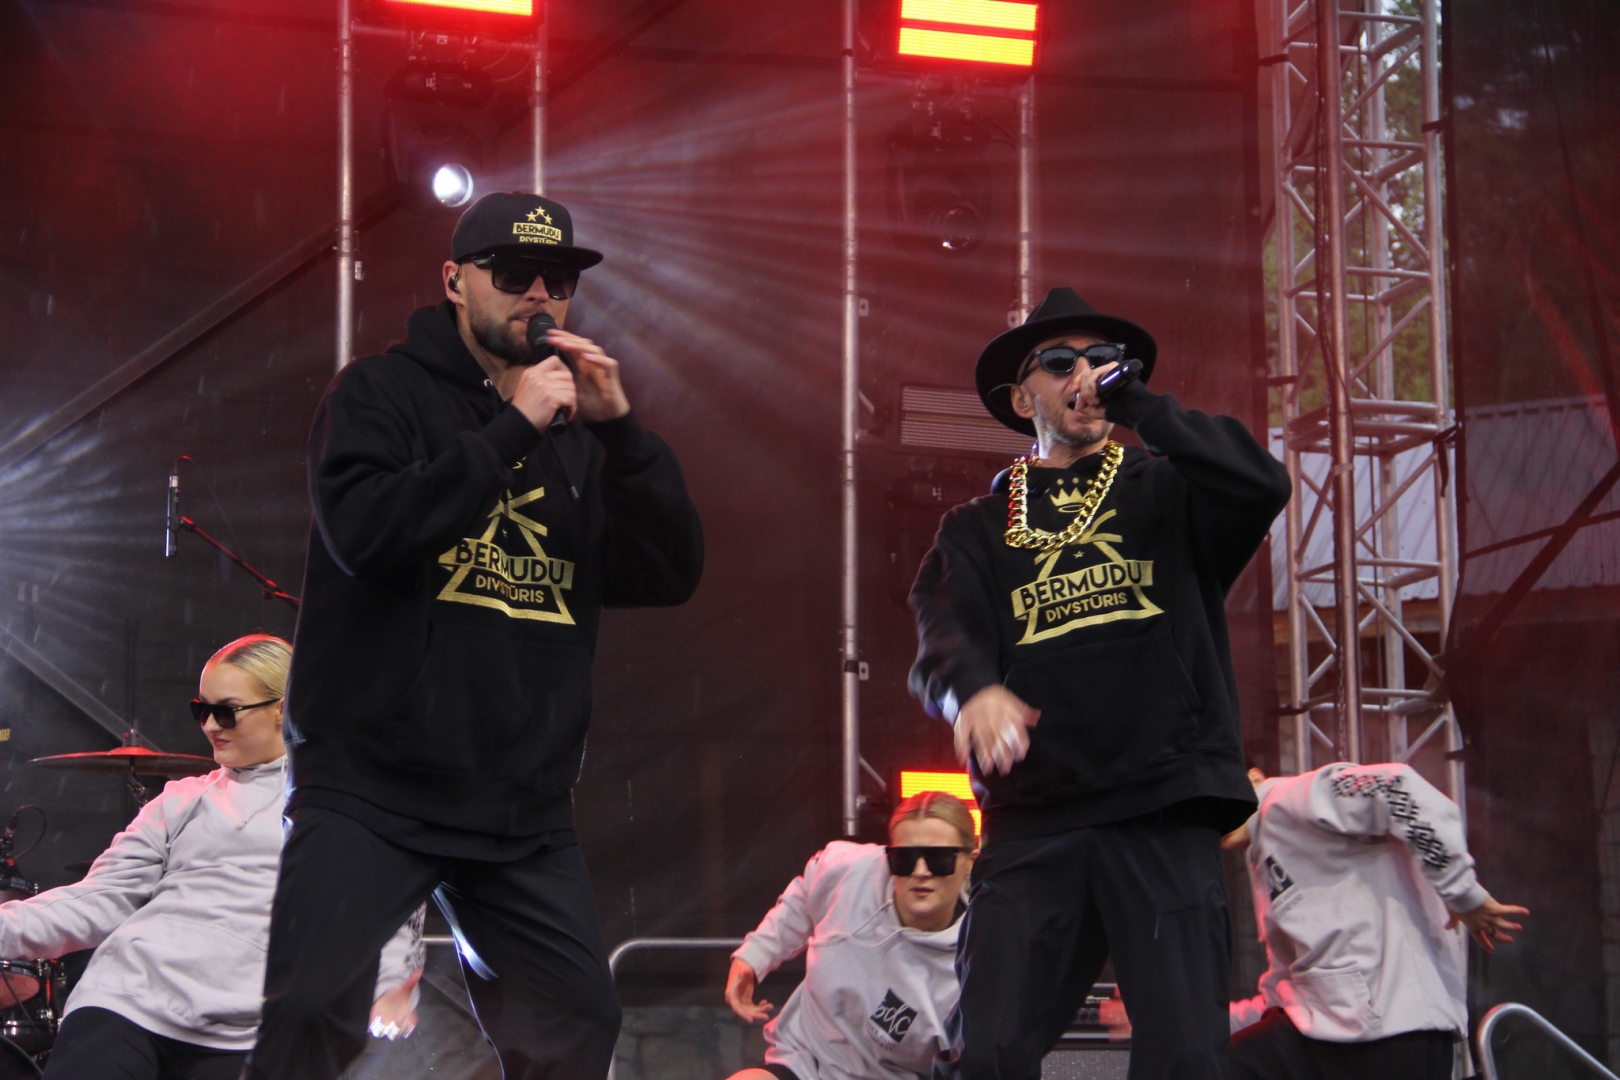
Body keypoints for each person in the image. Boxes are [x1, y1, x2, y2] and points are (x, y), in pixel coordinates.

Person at [246, 191, 705, 1080]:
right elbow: (367, 534)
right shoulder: (377, 393)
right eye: (515, 273)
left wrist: (622, 432)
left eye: (559, 280)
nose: (540, 295)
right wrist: (511, 429)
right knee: (308, 1014)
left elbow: (668, 573)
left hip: (518, 804)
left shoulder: (578, 435)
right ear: (455, 282)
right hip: (373, 785)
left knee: (578, 1021)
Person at [908, 287, 1292, 1079]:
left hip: (1163, 802)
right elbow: (942, 635)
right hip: (1036, 816)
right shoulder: (975, 528)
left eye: (1104, 360)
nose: (1084, 373)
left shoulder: (1170, 489)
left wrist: (1140, 403)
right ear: (1024, 399)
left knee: (1185, 1058)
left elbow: (1259, 482)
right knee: (987, 1051)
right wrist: (973, 690)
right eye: (1059, 362)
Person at [0, 635, 419, 1080]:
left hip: (246, 1024)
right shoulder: (181, 799)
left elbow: (388, 906)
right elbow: (100, 898)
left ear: (284, 707)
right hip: (127, 997)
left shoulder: (338, 805)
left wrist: (392, 987)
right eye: (201, 710)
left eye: (227, 711)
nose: (210, 726)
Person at [1226, 763, 1529, 1080]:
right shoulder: (1263, 858)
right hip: (1340, 1034)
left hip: (1390, 1030)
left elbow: (1396, 787)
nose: (1207, 816)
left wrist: (1463, 894)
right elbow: (1285, 990)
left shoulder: (1290, 798)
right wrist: (1206, 1024)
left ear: (1254, 777)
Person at [723, 792, 977, 1080]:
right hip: (806, 1061)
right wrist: (754, 957)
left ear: (970, 862)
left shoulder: (974, 962)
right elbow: (804, 897)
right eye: (904, 858)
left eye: (939, 859)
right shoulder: (852, 871)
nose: (920, 871)